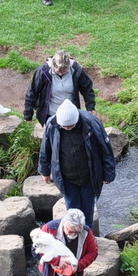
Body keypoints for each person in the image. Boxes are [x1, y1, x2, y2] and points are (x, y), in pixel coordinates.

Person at [39, 99, 116, 232]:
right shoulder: (52, 124)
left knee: (87, 210)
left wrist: (109, 173)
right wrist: (44, 171)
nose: (67, 128)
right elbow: (45, 149)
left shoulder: (91, 123)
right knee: (72, 211)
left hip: (89, 177)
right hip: (66, 178)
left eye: (70, 126)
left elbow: (106, 149)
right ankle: (74, 238)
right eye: (64, 126)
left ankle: (87, 236)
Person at [23, 50, 96, 127]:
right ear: (53, 65)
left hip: (71, 114)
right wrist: (28, 114)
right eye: (58, 71)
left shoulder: (76, 70)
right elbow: (32, 93)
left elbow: (87, 89)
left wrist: (90, 107)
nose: (61, 73)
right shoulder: (42, 72)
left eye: (64, 71)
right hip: (51, 115)